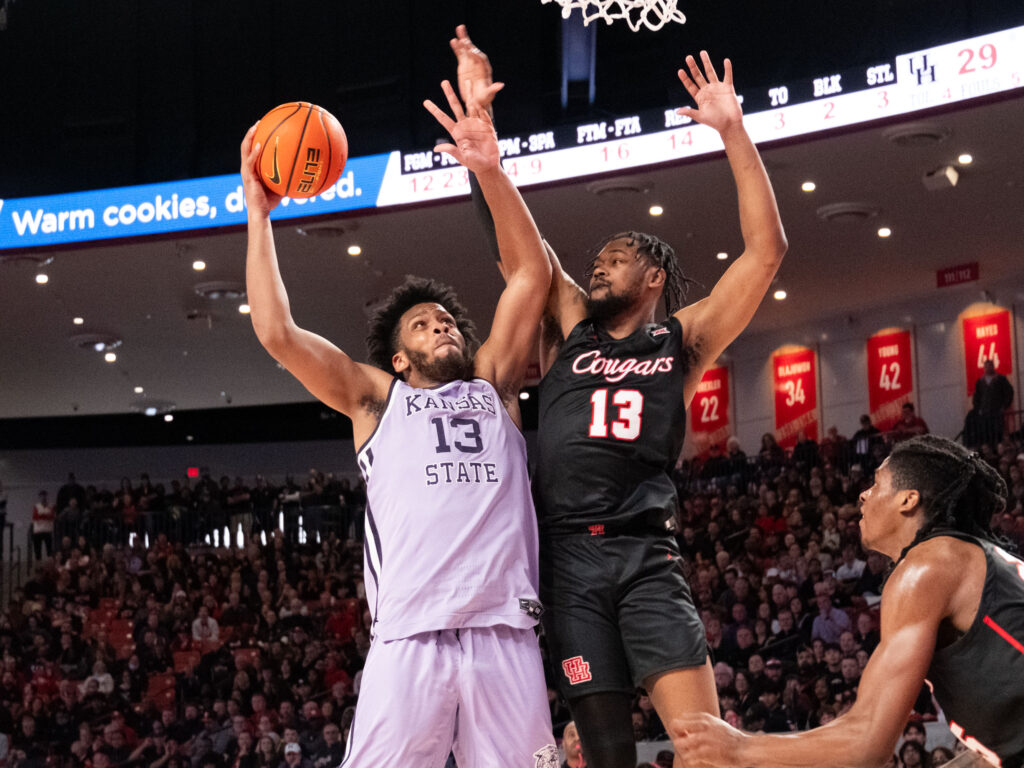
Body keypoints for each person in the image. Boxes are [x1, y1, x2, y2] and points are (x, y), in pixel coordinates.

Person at [451, 27, 787, 768]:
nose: (598, 268)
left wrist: (733, 131)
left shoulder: (683, 341)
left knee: (707, 746)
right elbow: (523, 257)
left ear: (656, 277)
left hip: (645, 557)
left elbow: (765, 254)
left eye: (616, 260)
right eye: (596, 261)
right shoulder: (571, 326)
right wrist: (489, 161)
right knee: (605, 755)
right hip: (568, 561)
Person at [240, 59, 555, 766]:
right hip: (410, 636)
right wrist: (258, 215)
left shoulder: (495, 384)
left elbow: (532, 275)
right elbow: (275, 333)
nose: (442, 325)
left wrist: (491, 169)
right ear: (400, 358)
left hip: (505, 631)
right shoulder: (376, 398)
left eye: (447, 319)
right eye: (422, 324)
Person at [670, 435, 1024, 768]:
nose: (863, 496)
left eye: (877, 484)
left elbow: (868, 742)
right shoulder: (964, 558)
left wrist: (740, 748)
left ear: (908, 499)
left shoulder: (927, 566)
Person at [968, 358, 1014, 448]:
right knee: (986, 432)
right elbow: (977, 397)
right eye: (986, 366)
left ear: (993, 367)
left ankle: (998, 447)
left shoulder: (1000, 379)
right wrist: (978, 409)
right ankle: (989, 449)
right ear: (984, 368)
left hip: (997, 411)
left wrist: (1004, 406)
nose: (988, 368)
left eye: (990, 366)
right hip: (985, 413)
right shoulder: (980, 382)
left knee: (998, 432)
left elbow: (1009, 392)